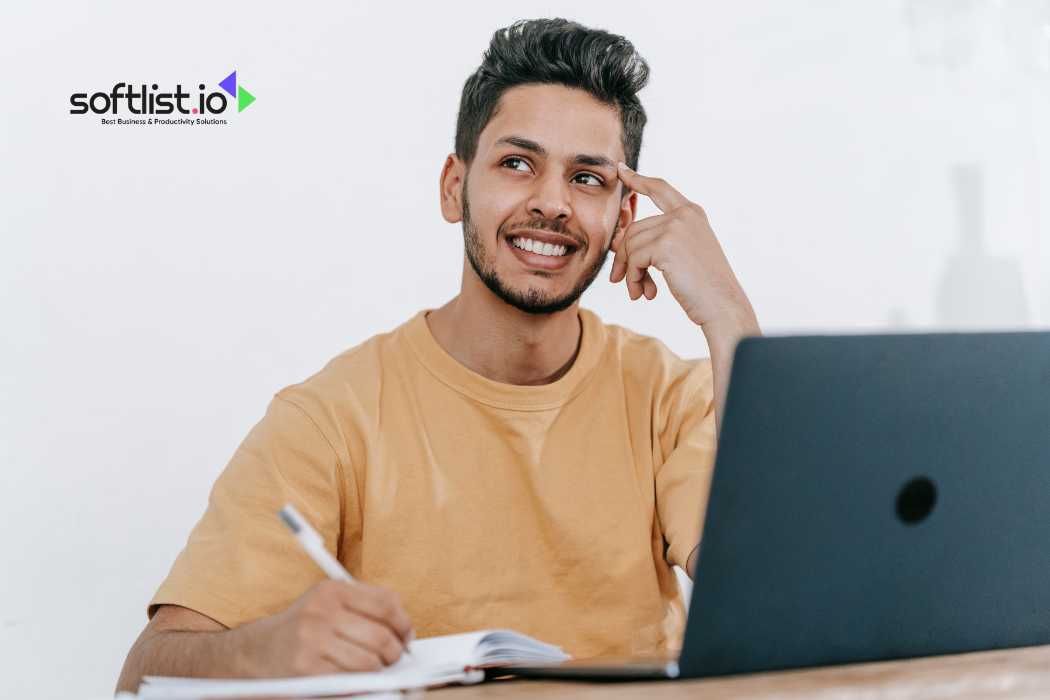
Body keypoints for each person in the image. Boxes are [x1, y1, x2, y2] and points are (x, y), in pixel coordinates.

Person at [115, 16, 760, 693]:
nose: (552, 203)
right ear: (455, 188)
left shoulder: (673, 397)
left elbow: (784, 606)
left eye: (588, 179)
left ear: (623, 219)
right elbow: (141, 675)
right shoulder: (332, 419)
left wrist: (730, 318)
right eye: (517, 163)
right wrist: (266, 647)